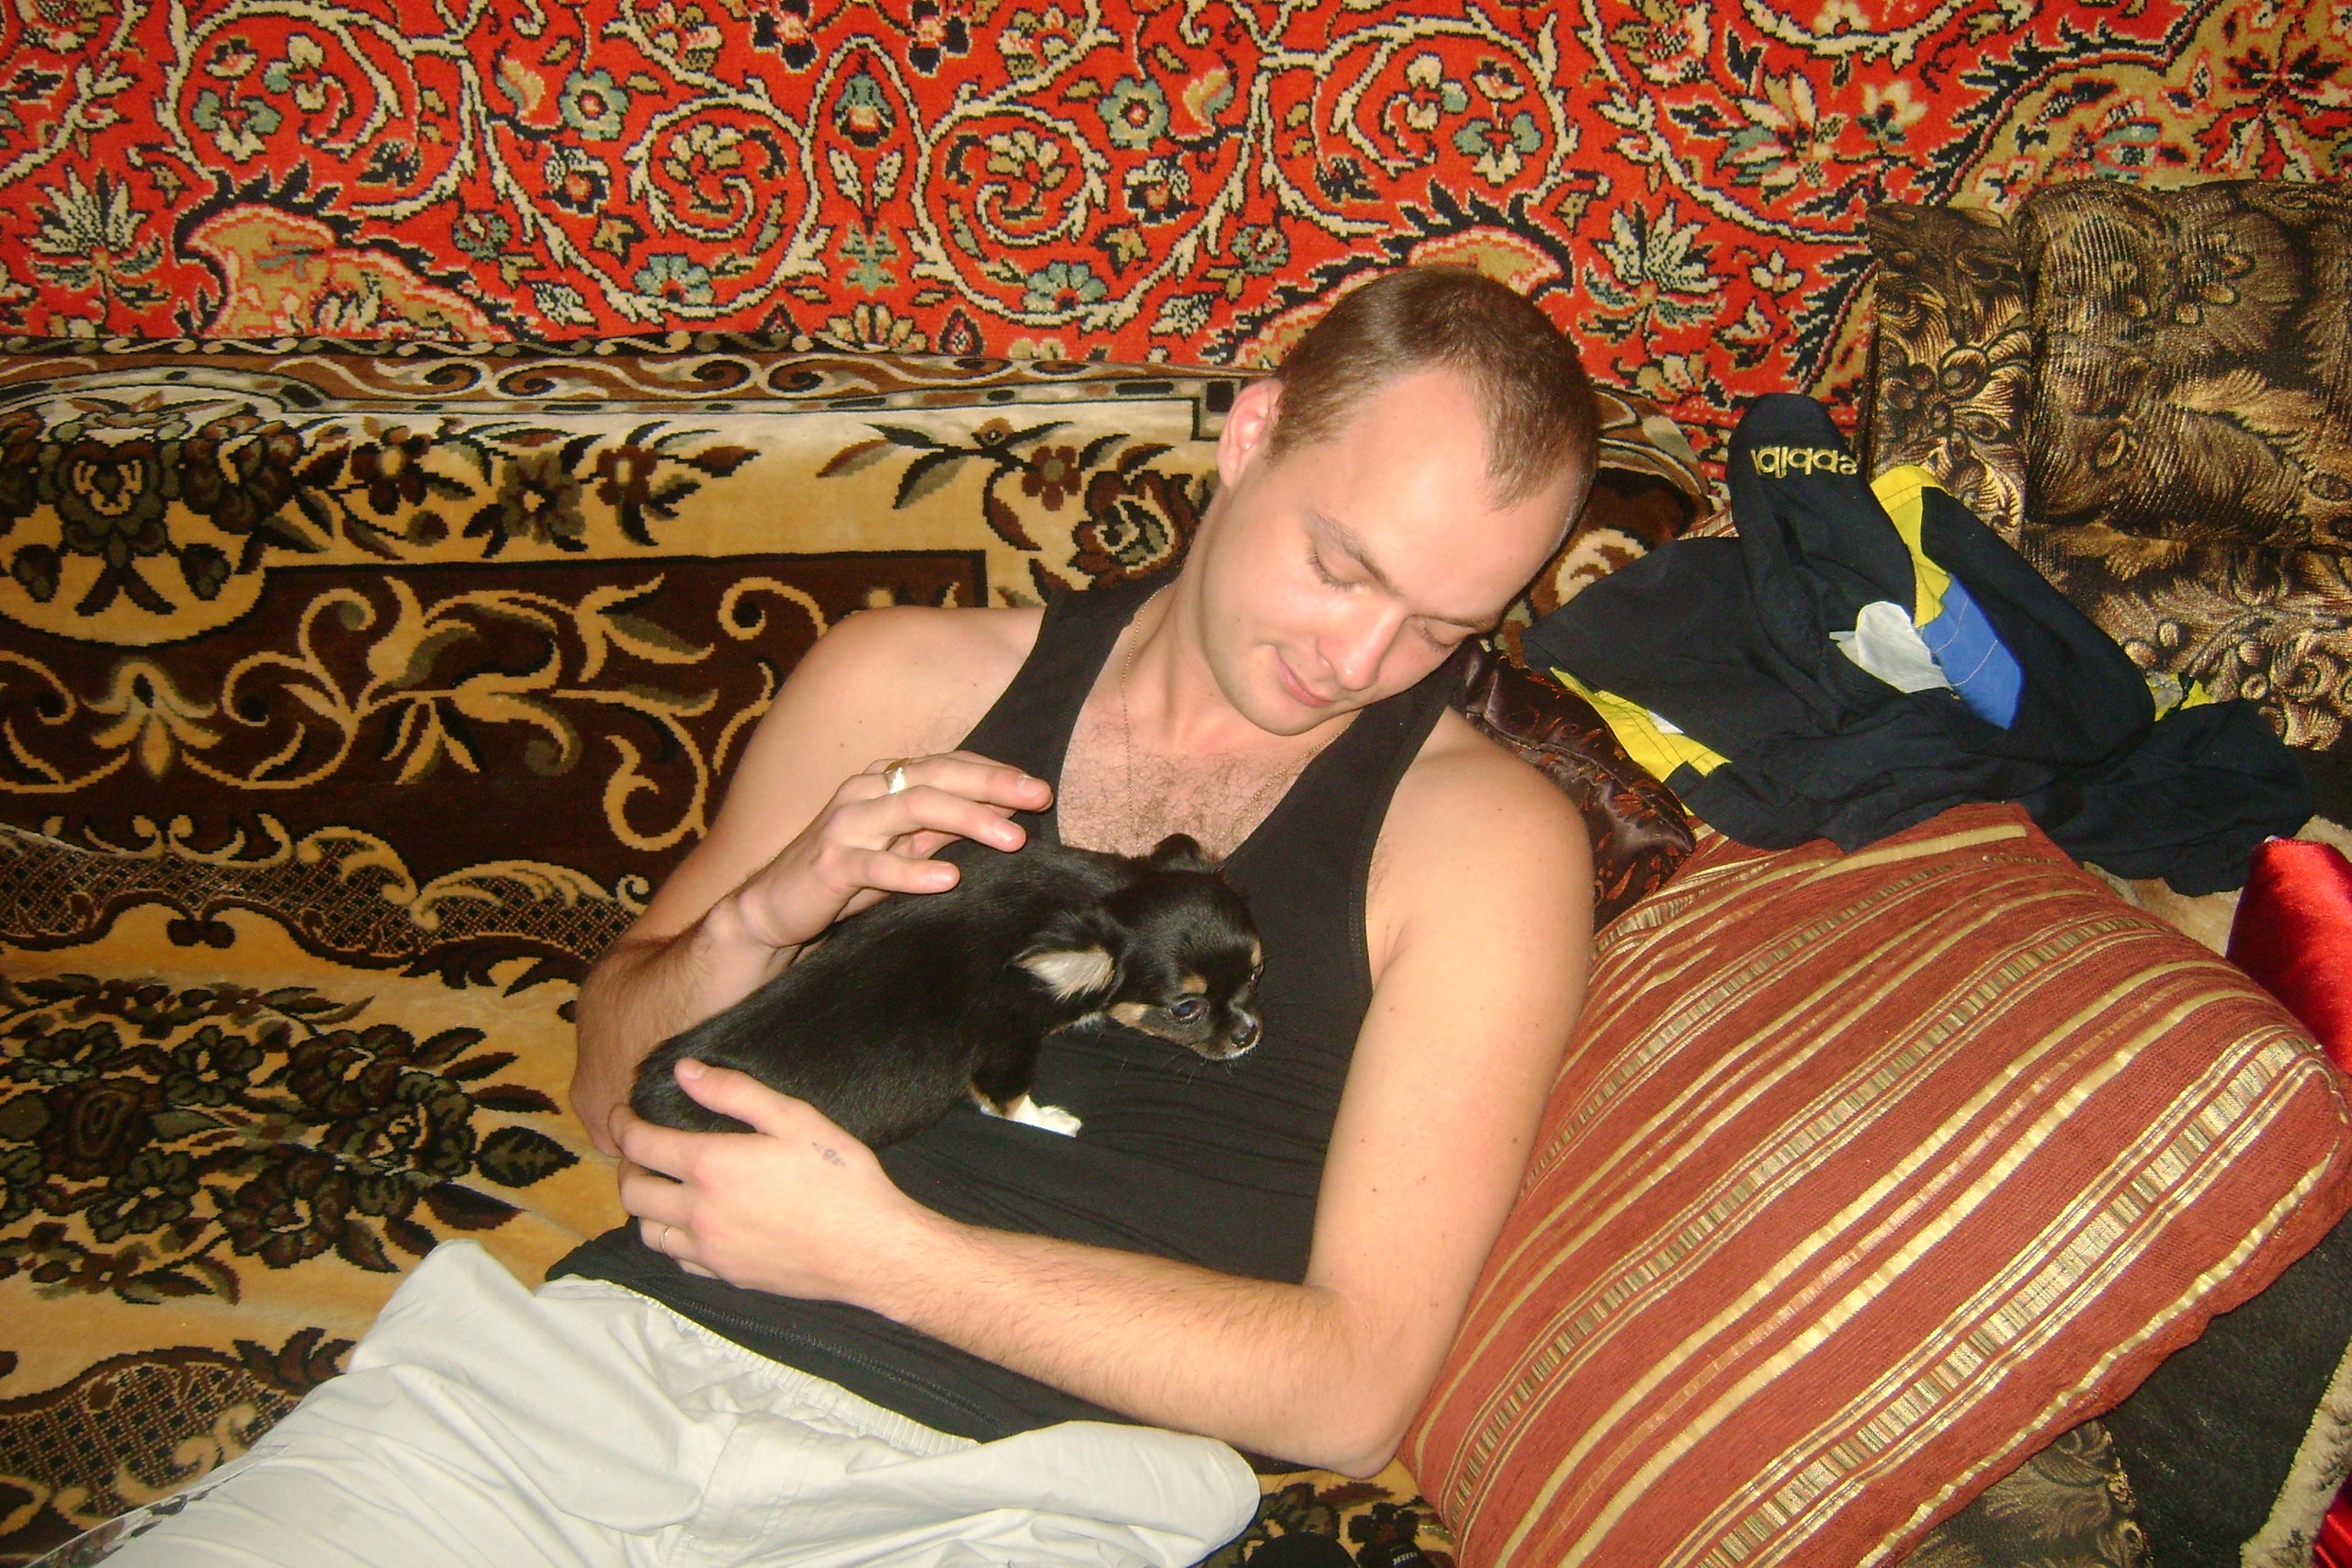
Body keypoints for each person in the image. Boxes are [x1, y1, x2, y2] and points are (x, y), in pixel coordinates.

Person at [106, 266, 1600, 1568]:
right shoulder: (903, 680)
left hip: (1006, 1493)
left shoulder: (1483, 849)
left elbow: (1349, 1393)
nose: (1358, 659)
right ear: (1255, 433)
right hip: (597, 1382)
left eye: (1442, 628)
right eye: (1341, 567)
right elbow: (610, 1087)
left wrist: (881, 1256)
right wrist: (763, 918)